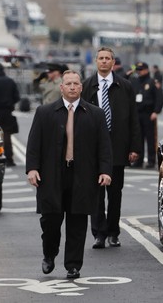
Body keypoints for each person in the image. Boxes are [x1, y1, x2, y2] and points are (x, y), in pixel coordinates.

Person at [26, 70, 112, 279]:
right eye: (68, 84)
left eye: (76, 83)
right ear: (61, 87)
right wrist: (32, 168)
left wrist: (105, 171)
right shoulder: (45, 112)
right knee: (50, 221)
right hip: (52, 175)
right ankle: (49, 254)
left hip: (82, 175)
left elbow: (104, 146)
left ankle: (73, 265)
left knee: (77, 221)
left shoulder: (95, 114)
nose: (72, 87)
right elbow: (34, 144)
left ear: (81, 87)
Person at [82, 47, 142, 249]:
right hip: (94, 149)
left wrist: (134, 147)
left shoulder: (124, 86)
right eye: (101, 58)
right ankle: (99, 233)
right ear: (96, 61)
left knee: (115, 194)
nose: (104, 62)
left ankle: (113, 232)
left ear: (113, 62)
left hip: (117, 147)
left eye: (108, 58)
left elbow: (134, 118)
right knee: (96, 194)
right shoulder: (87, 86)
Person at [130, 62, 163, 168]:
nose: (139, 72)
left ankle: (151, 160)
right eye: (138, 70)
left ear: (146, 70)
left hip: (148, 114)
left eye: (141, 70)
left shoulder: (152, 82)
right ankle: (138, 160)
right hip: (137, 113)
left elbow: (160, 97)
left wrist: (156, 111)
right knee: (138, 138)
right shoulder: (134, 81)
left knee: (150, 138)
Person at [0, 62, 20, 166]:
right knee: (7, 136)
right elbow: (17, 97)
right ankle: (9, 159)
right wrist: (10, 103)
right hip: (8, 112)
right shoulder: (10, 81)